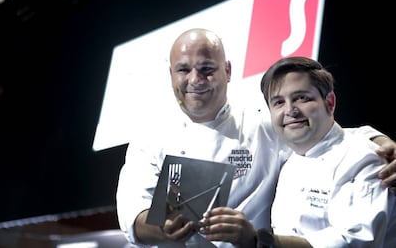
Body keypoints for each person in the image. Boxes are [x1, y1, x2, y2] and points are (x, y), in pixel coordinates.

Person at [116, 28, 396, 247]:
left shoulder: (262, 123)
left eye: (207, 69)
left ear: (227, 71)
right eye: (183, 69)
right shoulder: (148, 140)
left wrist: (381, 142)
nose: (195, 79)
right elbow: (132, 216)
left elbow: (327, 137)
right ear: (171, 74)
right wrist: (161, 228)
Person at [249, 56, 395, 247]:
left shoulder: (363, 157)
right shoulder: (291, 159)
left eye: (301, 98)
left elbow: (355, 241)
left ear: (330, 102)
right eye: (278, 102)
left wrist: (265, 242)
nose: (290, 110)